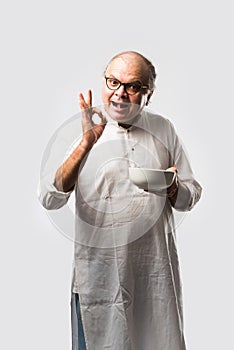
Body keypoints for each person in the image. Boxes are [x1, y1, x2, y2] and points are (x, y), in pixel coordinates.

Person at [38, 51, 202, 350]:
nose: (119, 93)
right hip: (98, 277)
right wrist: (87, 143)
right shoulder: (79, 130)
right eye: (112, 82)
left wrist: (172, 187)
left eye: (132, 86)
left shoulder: (164, 128)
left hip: (152, 275)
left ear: (148, 94)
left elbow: (190, 195)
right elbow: (50, 197)